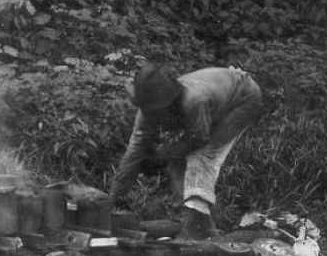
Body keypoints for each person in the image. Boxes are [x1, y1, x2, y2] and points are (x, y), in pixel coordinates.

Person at [110, 63, 262, 240]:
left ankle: (191, 229)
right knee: (177, 164)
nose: (150, 114)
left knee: (203, 155)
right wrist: (111, 198)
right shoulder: (147, 109)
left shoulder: (194, 101)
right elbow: (135, 149)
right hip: (216, 103)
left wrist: (162, 153)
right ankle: (206, 228)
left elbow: (199, 139)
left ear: (167, 103)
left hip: (242, 99)